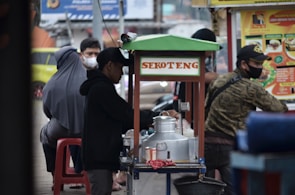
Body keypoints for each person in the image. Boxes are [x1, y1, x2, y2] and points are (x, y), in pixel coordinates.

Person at [79, 47, 179, 195]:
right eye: (120, 68)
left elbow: (123, 117)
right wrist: (158, 116)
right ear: (110, 65)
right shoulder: (101, 89)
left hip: (100, 154)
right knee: (101, 190)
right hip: (98, 156)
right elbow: (125, 114)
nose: (121, 73)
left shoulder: (101, 86)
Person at [204, 44, 288, 195]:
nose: (260, 68)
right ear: (244, 64)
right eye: (256, 64)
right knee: (236, 191)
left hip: (207, 144)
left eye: (261, 64)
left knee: (206, 190)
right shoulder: (250, 88)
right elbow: (279, 109)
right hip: (230, 146)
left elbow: (206, 108)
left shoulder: (219, 80)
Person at [40, 37, 101, 189]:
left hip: (60, 128)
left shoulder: (51, 84)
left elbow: (47, 111)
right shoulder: (90, 79)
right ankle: (84, 175)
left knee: (44, 134)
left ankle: (56, 177)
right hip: (88, 130)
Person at [173, 28, 220, 118]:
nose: (211, 52)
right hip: (188, 112)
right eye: (211, 48)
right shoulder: (190, 62)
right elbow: (204, 77)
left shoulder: (197, 61)